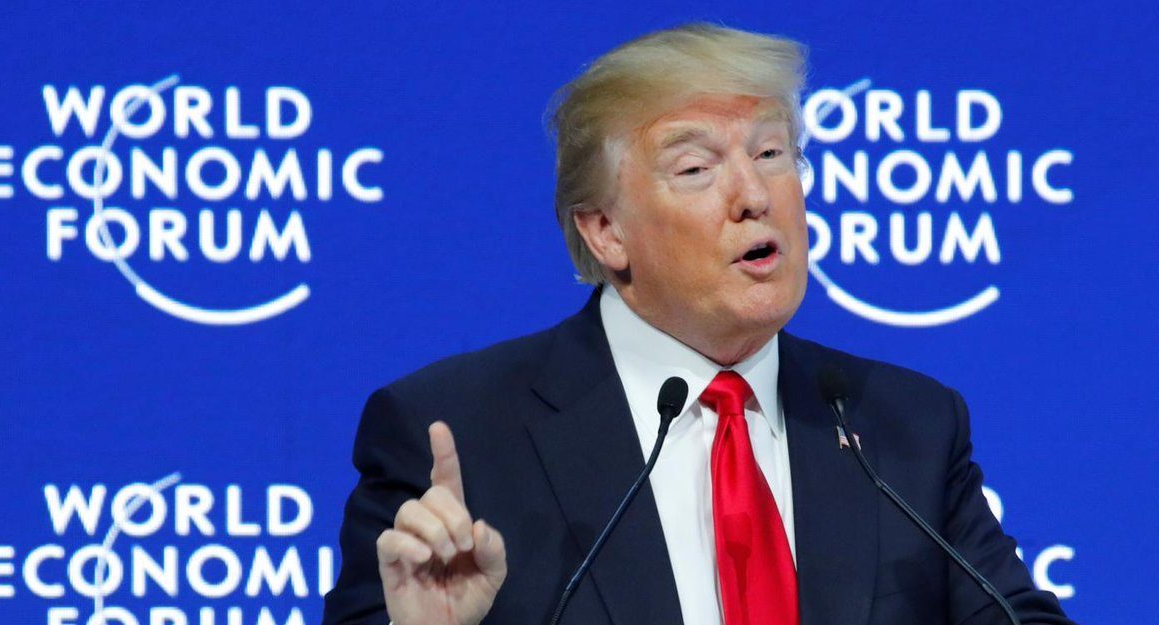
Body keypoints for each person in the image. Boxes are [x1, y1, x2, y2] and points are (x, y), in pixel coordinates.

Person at [322, 23, 1075, 625]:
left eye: (773, 153)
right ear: (606, 231)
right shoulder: (456, 431)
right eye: (696, 168)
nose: (755, 193)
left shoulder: (904, 426)